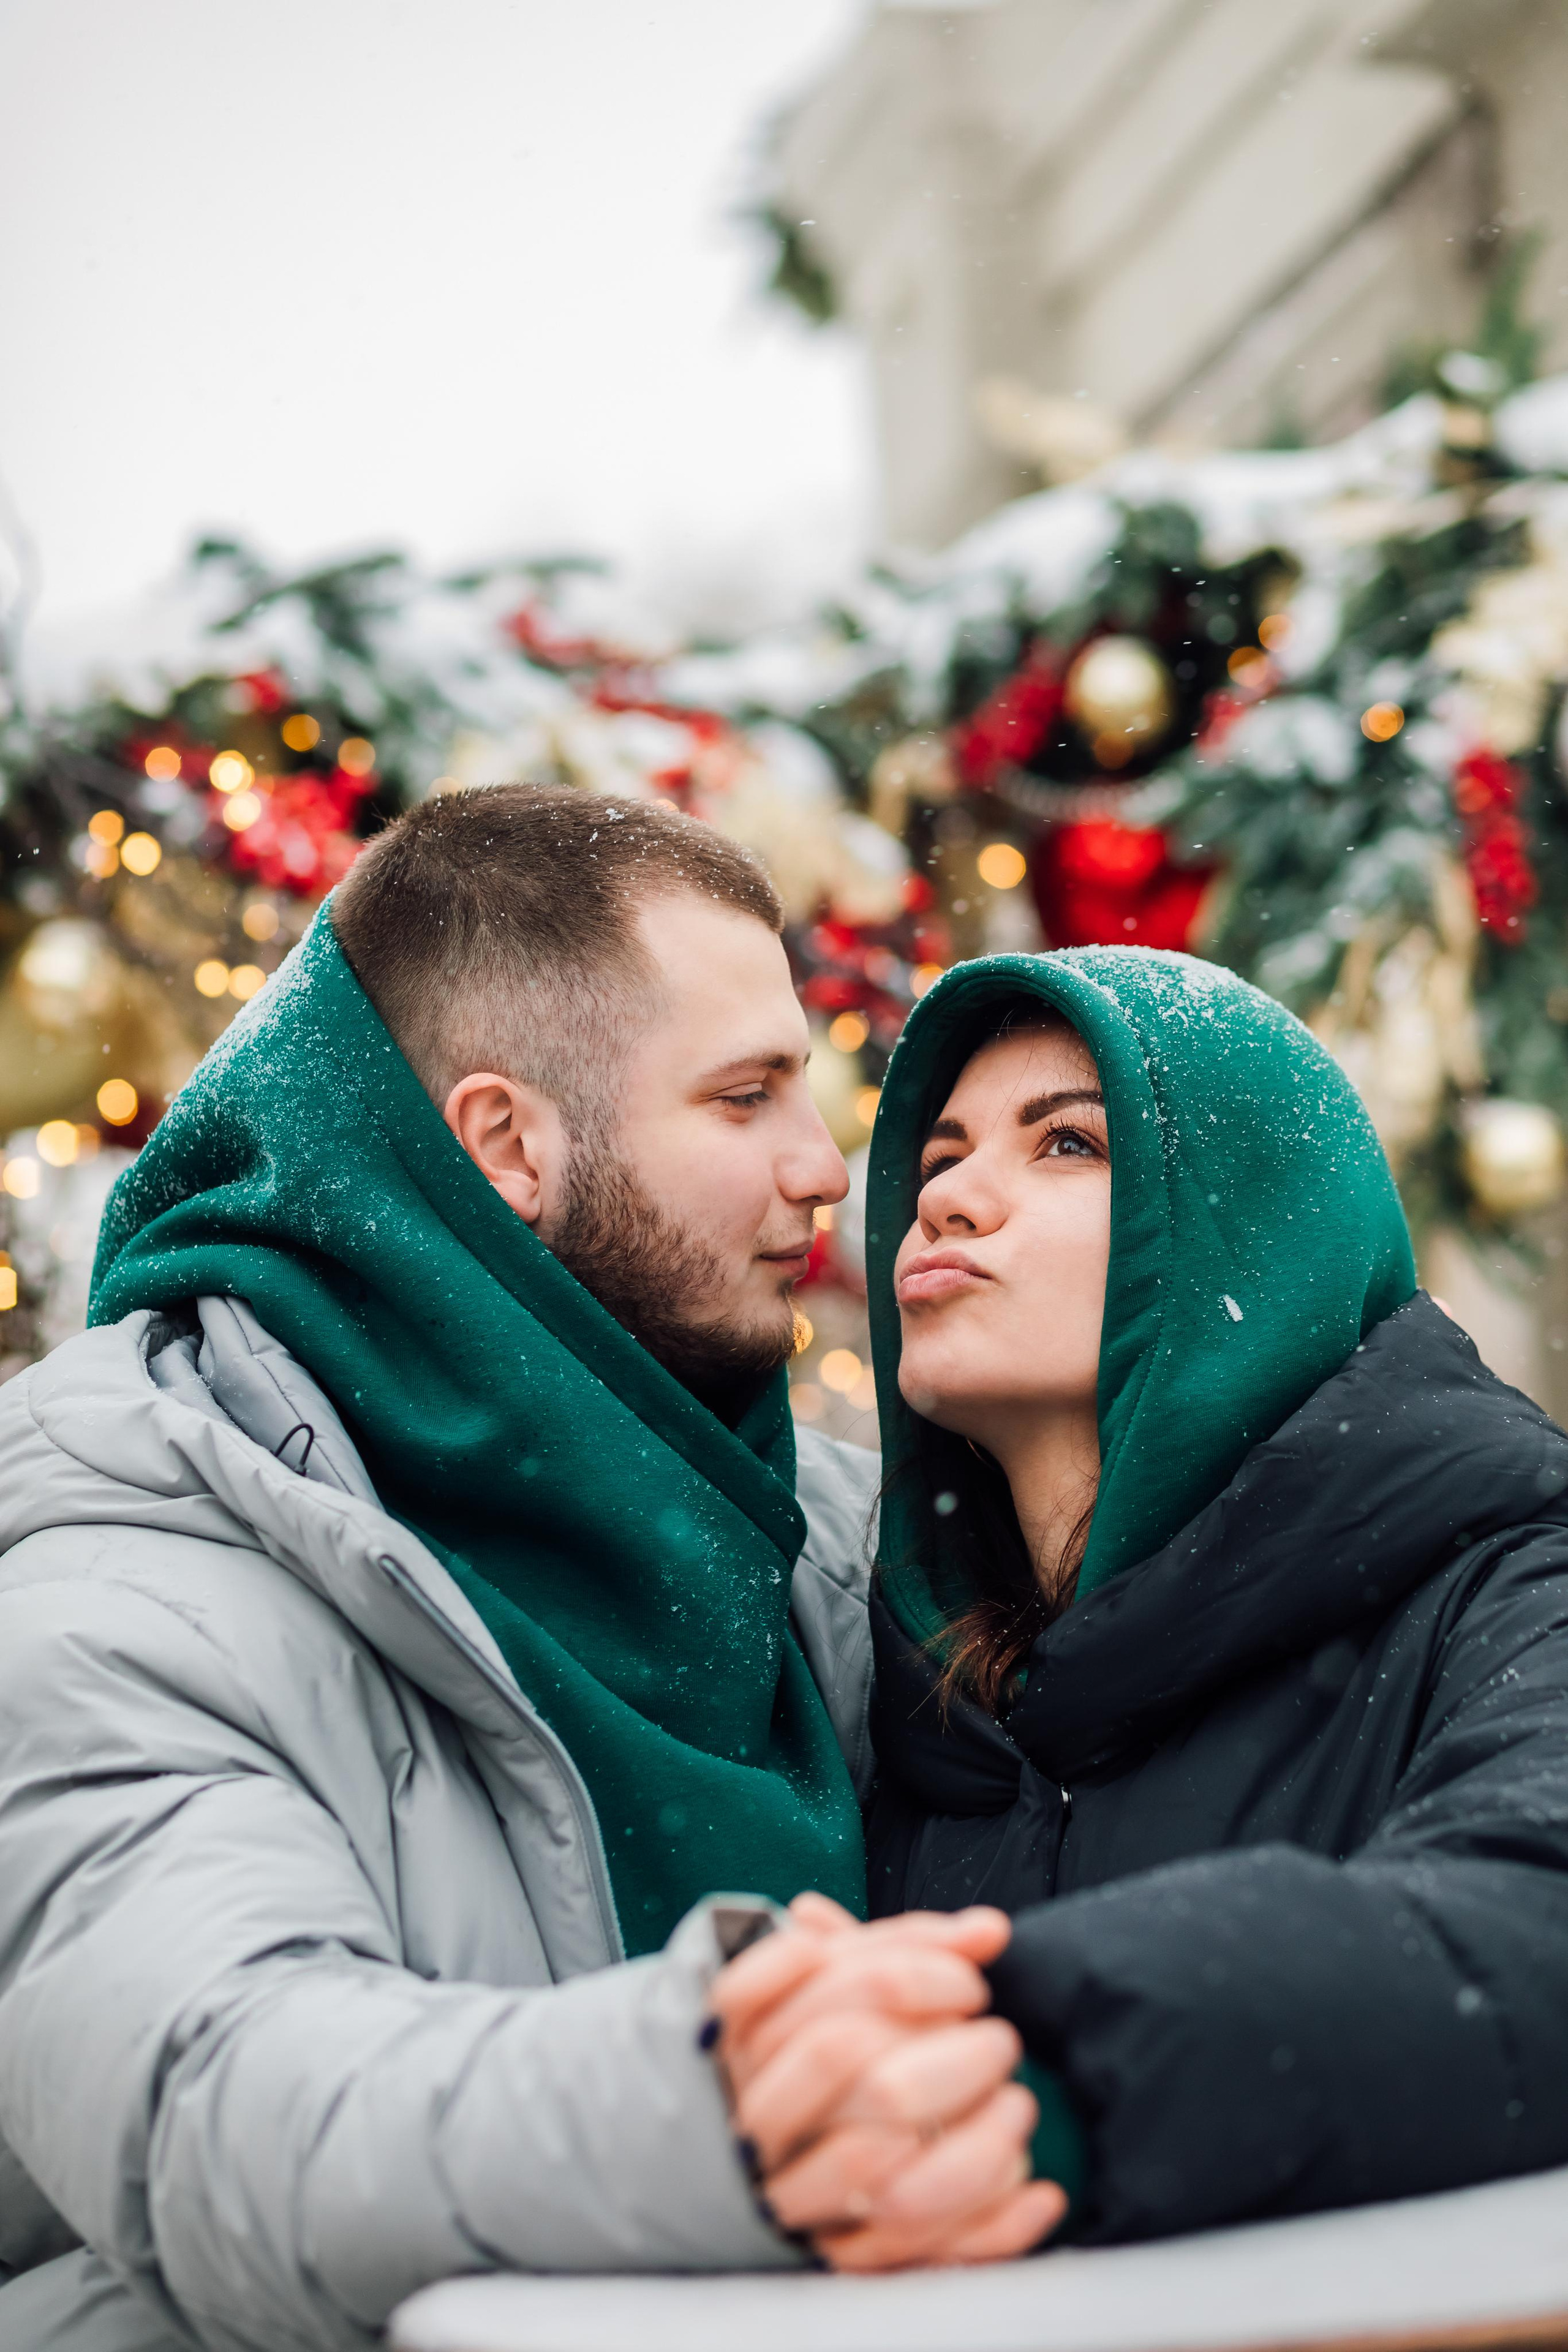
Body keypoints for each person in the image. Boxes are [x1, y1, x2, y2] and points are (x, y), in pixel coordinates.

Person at [0, 790, 1046, 2352]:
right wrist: (721, 2104)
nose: (825, 1170)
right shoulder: (118, 1586)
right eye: (746, 1096)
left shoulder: (815, 1539)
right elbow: (223, 2118)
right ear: (507, 1144)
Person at [832, 943, 1568, 2244]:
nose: (947, 1200)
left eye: (1063, 1146)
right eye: (939, 1156)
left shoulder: (1509, 1578)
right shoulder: (888, 1686)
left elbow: (1535, 1928)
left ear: (1252, 1222)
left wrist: (1029, 2065)